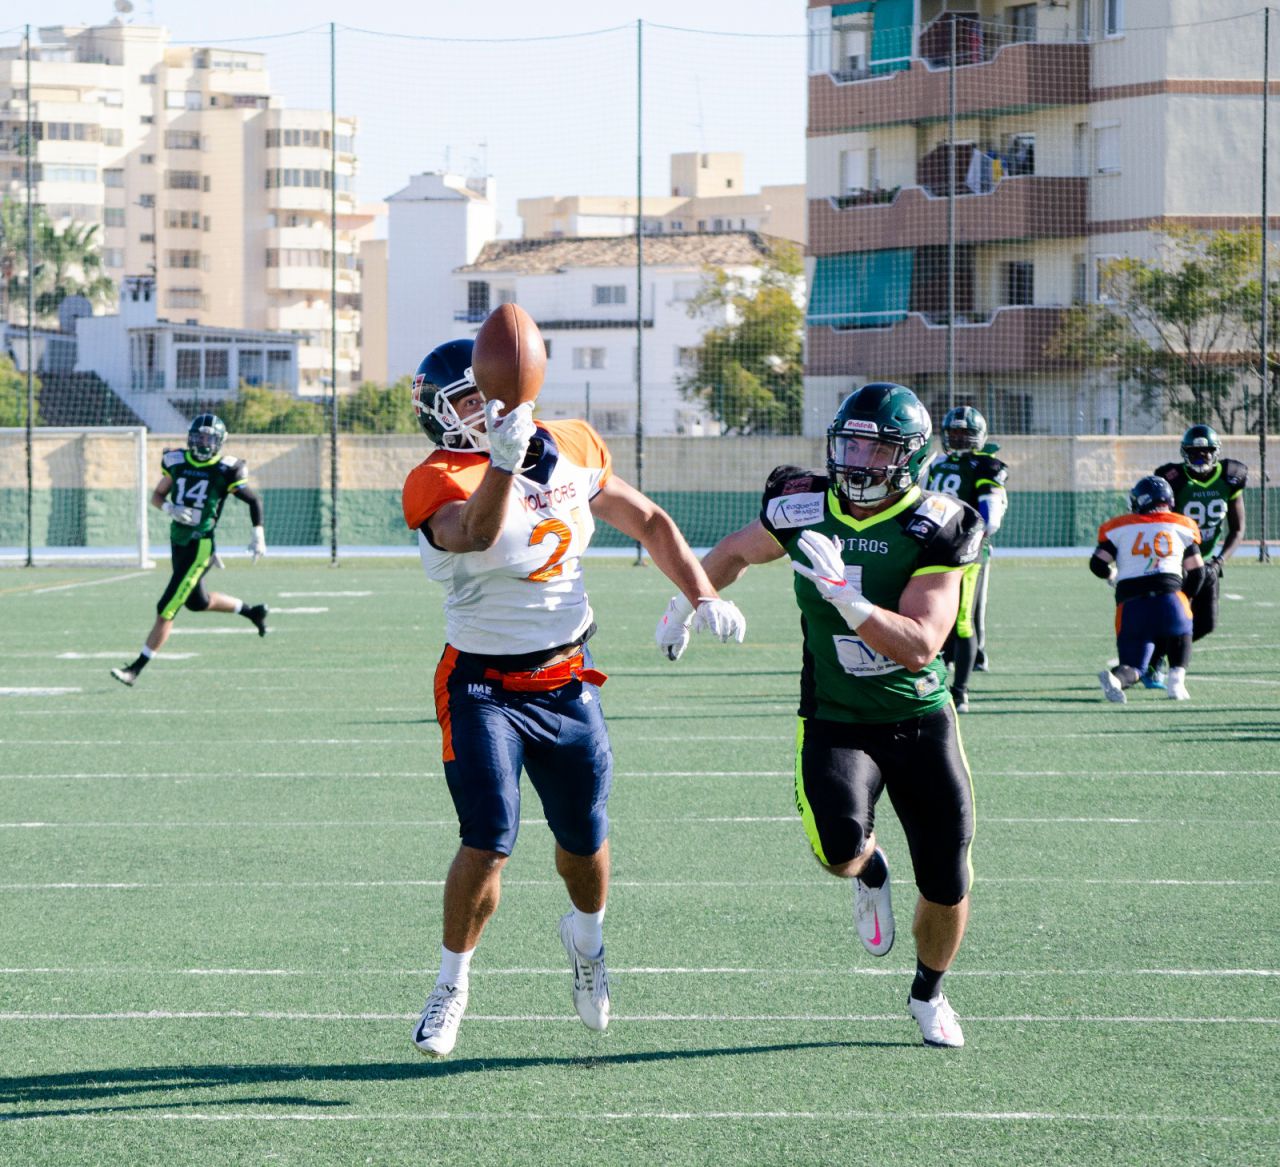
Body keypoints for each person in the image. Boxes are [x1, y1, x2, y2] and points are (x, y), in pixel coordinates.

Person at [402, 338, 745, 1059]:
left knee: (583, 840)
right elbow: (479, 529)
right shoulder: (435, 476)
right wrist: (501, 459)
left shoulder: (573, 445)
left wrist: (700, 591)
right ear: (441, 415)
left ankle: (586, 941)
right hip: (482, 684)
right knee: (488, 838)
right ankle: (450, 982)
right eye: (465, 400)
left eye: (488, 393)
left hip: (566, 678)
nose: (480, 410)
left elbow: (647, 520)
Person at [664, 383, 984, 1048]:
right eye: (851, 442)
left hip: (920, 716)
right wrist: (688, 601)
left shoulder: (940, 521)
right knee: (838, 848)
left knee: (948, 876)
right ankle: (871, 871)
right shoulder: (804, 502)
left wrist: (848, 599)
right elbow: (734, 551)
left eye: (875, 445)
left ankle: (928, 992)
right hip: (836, 715)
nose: (858, 458)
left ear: (907, 456)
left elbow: (924, 640)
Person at [110, 413, 268, 687]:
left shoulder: (225, 469)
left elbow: (252, 499)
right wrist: (170, 507)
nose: (203, 443)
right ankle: (252, 612)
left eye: (209, 438)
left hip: (200, 546)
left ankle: (135, 669)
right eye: (199, 437)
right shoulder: (177, 461)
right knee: (198, 602)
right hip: (178, 541)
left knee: (166, 608)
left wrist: (258, 534)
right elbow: (157, 496)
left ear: (219, 441)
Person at [924, 405, 1009, 711]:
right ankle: (936, 679)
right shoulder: (937, 464)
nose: (959, 440)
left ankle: (960, 692)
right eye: (954, 434)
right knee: (933, 615)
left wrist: (972, 537)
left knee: (962, 621)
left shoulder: (984, 466)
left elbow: (992, 515)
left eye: (965, 434)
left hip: (964, 552)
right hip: (935, 550)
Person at [1091, 475, 1204, 704]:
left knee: (1134, 666)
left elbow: (1097, 563)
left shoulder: (1118, 527)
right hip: (1169, 597)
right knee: (1182, 630)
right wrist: (1186, 597)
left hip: (1131, 603)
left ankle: (1117, 680)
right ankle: (1176, 681)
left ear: (1141, 500)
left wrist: (1112, 574)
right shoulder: (1182, 525)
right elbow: (1197, 571)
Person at [1149, 425, 1246, 671]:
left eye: (1205, 452)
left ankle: (1159, 653)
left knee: (1206, 623)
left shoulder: (1230, 476)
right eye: (1194, 452)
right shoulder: (1173, 479)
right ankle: (1154, 660)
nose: (1200, 457)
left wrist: (1219, 561)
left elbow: (1237, 529)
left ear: (1216, 452)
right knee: (1174, 615)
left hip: (1207, 560)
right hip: (1176, 560)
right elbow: (1163, 524)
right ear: (1185, 453)